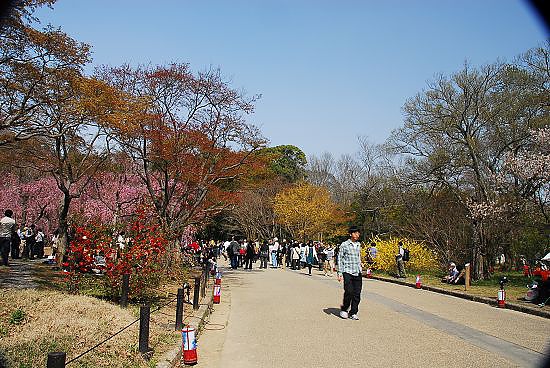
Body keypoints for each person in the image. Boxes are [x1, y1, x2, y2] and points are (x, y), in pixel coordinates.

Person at [338, 226, 363, 320]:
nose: (357, 234)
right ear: (350, 234)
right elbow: (340, 259)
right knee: (349, 291)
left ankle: (353, 312)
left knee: (357, 293)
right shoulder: (344, 245)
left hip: (357, 271)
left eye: (358, 233)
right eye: (355, 233)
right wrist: (340, 273)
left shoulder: (358, 244)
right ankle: (344, 309)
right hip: (347, 271)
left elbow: (358, 256)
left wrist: (361, 265)